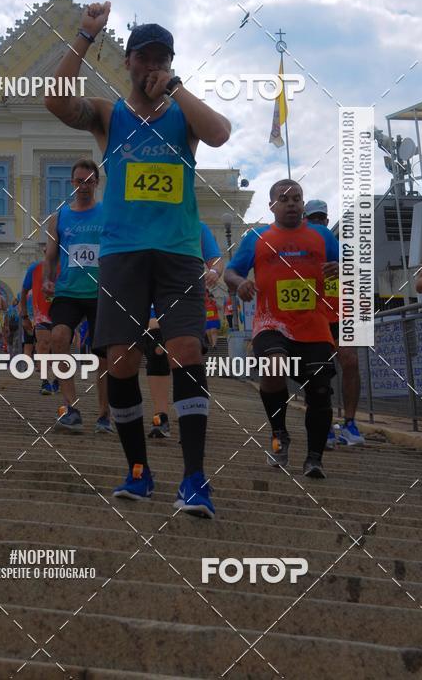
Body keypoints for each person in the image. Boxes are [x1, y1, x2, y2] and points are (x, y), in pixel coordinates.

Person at [46, 5, 231, 518]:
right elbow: (55, 101)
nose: (152, 66)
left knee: (186, 349)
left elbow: (219, 133)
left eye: (161, 59)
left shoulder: (183, 114)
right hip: (123, 253)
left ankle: (194, 478)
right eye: (144, 57)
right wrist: (85, 36)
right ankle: (137, 470)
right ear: (127, 62)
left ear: (171, 63)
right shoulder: (110, 115)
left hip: (178, 252)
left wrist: (176, 88)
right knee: (121, 359)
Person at [224, 179, 339, 479]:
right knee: (273, 366)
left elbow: (350, 268)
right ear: (272, 205)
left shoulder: (322, 236)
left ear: (303, 204)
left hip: (314, 325)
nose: (291, 204)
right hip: (271, 322)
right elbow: (230, 272)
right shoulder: (257, 237)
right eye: (284, 199)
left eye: (296, 198)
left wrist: (341, 269)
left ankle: (314, 458)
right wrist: (241, 283)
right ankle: (279, 433)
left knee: (320, 390)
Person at [42, 158, 110, 432]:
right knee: (58, 337)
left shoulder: (108, 212)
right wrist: (47, 279)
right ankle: (71, 407)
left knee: (103, 355)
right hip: (68, 289)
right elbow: (50, 255)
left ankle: (104, 414)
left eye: (89, 181)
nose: (84, 186)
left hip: (100, 291)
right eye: (79, 181)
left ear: (97, 183)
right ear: (72, 183)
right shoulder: (59, 217)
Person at [146, 221, 224, 440]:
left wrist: (214, 271)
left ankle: (189, 420)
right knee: (156, 350)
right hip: (154, 297)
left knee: (186, 356)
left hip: (187, 299)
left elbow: (216, 259)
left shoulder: (197, 226)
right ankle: (160, 416)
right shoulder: (146, 222)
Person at [304, 199, 365, 447]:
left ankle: (350, 424)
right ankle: (324, 425)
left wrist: (342, 268)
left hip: (341, 316)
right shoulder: (301, 247)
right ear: (305, 221)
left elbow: (359, 273)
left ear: (327, 220)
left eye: (321, 218)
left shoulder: (339, 246)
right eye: (313, 218)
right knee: (319, 373)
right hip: (314, 318)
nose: (318, 222)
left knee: (351, 362)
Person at [21, 253, 55, 394]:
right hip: (42, 314)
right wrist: (24, 316)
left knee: (59, 347)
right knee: (43, 345)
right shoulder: (35, 268)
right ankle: (45, 381)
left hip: (63, 313)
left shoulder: (67, 266)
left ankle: (58, 378)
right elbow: (24, 291)